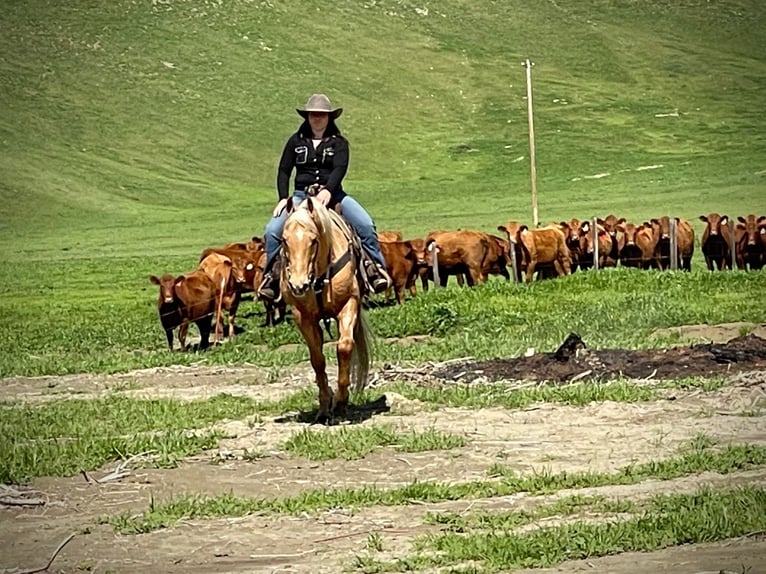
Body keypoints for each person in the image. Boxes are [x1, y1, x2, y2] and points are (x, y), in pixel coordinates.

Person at [258, 93, 392, 301]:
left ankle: (375, 269)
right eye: (313, 115)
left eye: (321, 115)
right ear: (307, 116)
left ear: (329, 117)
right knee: (273, 230)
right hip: (300, 197)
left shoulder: (339, 143)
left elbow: (340, 168)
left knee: (365, 224)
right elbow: (284, 171)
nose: (317, 118)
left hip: (333, 194)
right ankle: (272, 278)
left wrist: (328, 190)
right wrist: (283, 198)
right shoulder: (295, 141)